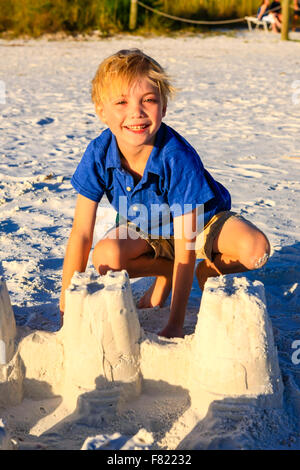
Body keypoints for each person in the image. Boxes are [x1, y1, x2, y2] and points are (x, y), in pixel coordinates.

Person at [59, 49, 271, 339]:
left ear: (164, 106)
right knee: (106, 257)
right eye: (121, 102)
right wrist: (65, 308)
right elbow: (81, 233)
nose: (136, 112)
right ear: (101, 110)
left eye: (149, 100)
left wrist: (175, 323)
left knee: (256, 249)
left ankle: (206, 271)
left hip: (201, 223)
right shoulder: (98, 153)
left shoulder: (176, 157)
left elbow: (186, 243)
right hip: (149, 224)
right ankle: (166, 271)